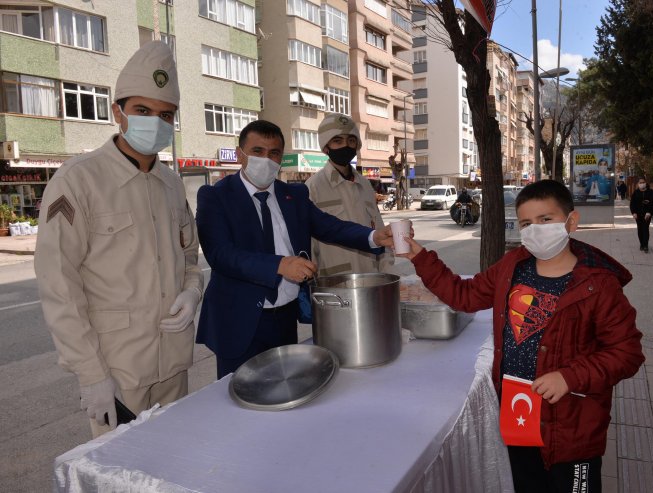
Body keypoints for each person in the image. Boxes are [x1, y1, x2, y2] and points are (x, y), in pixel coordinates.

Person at [397, 180, 644, 493]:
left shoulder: (598, 285)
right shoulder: (512, 267)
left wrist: (570, 377)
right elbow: (464, 295)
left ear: (572, 222)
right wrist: (421, 258)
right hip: (519, 416)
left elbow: (627, 352)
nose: (536, 229)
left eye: (546, 220)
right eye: (527, 223)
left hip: (571, 426)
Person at [35, 41, 203, 437]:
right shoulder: (79, 180)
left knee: (175, 465)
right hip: (118, 372)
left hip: (173, 364)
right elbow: (60, 287)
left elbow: (190, 259)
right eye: (142, 111)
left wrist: (192, 292)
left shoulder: (171, 185)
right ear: (117, 113)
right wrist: (91, 375)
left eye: (165, 114)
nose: (155, 122)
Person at [196, 120, 400, 379]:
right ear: (240, 154)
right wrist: (279, 265)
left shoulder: (294, 195)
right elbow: (220, 254)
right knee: (241, 399)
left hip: (284, 318)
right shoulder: (215, 196)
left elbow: (330, 227)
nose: (266, 160)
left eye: (274, 153)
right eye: (257, 151)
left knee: (286, 391)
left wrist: (373, 236)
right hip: (240, 319)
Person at [305, 114, 392, 276]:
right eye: (338, 141)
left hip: (372, 279)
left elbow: (379, 231)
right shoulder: (313, 187)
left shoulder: (365, 185)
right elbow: (309, 244)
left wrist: (387, 273)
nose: (346, 145)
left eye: (351, 140)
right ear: (326, 147)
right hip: (334, 284)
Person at [629, 177, 653, 253]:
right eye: (640, 182)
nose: (642, 184)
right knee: (640, 229)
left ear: (646, 183)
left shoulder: (650, 192)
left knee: (645, 228)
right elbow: (632, 204)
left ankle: (646, 245)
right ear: (638, 184)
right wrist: (634, 213)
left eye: (643, 182)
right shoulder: (635, 193)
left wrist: (649, 212)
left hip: (647, 214)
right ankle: (641, 244)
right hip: (638, 214)